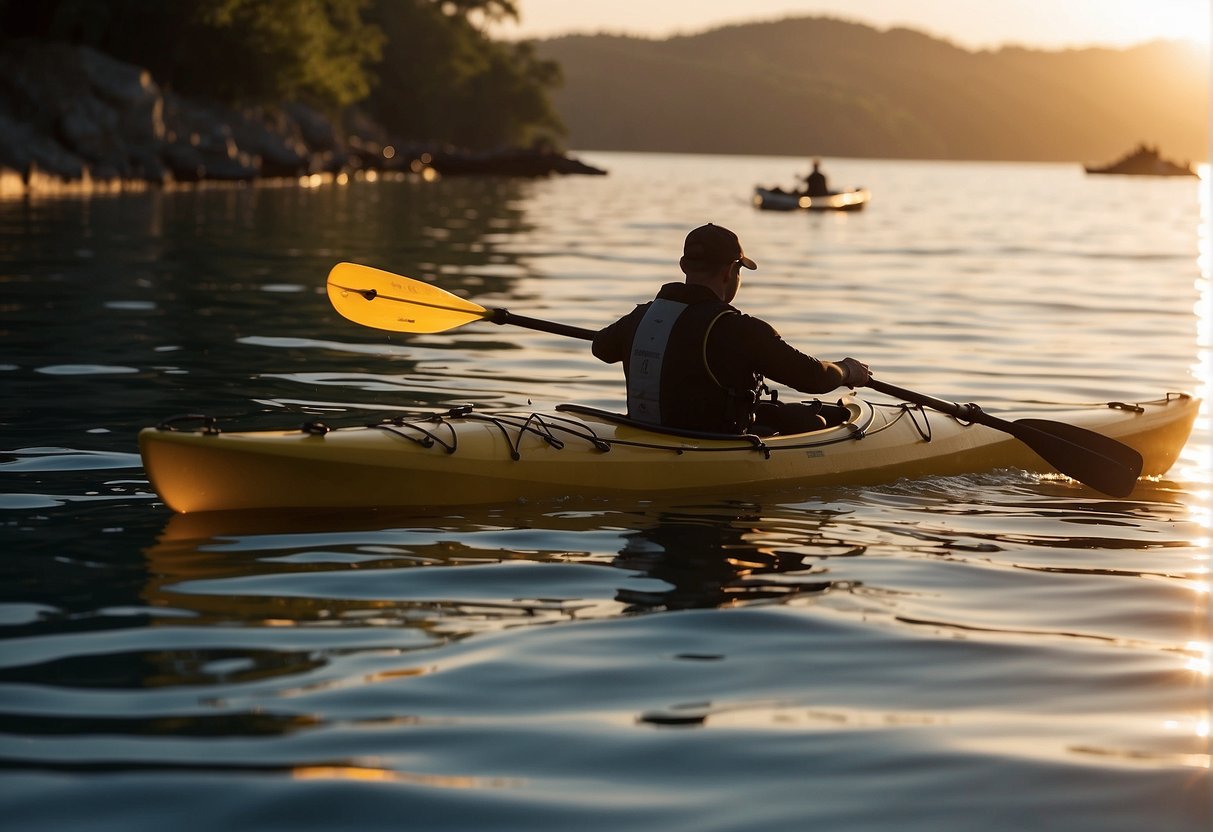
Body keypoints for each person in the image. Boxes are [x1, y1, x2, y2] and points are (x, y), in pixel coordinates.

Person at [592, 223, 871, 436]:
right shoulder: (739, 330)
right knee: (814, 423)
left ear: (684, 266)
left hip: (647, 435)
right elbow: (814, 378)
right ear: (729, 271)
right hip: (712, 448)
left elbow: (601, 348)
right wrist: (847, 370)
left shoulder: (640, 317)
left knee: (783, 413)